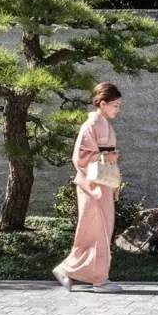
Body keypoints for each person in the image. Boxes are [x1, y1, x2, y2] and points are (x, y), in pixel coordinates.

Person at [53, 82, 123, 292]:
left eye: (119, 106)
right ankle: (98, 280)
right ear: (102, 103)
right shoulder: (90, 125)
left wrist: (115, 180)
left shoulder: (106, 125)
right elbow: (80, 158)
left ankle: (69, 269)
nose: (117, 110)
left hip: (103, 183)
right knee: (95, 230)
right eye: (115, 105)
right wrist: (107, 156)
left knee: (100, 230)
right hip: (91, 184)